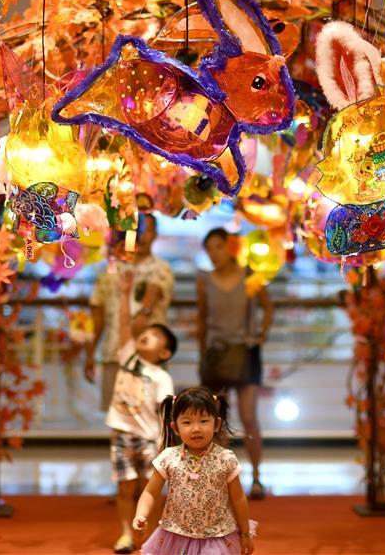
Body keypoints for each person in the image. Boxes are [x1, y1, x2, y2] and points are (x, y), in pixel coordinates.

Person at [197, 228, 273, 500]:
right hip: (216, 353)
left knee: (248, 416)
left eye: (218, 247)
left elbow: (268, 306)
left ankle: (257, 477)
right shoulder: (204, 280)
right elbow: (202, 319)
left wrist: (261, 334)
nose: (214, 254)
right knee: (217, 419)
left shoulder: (249, 274)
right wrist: (202, 354)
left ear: (230, 247)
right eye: (209, 249)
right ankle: (221, 480)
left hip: (246, 352)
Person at [133, 388, 255, 555]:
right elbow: (150, 492)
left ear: (216, 424)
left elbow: (238, 498)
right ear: (175, 427)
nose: (196, 428)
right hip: (175, 534)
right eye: (187, 422)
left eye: (203, 421)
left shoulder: (225, 459)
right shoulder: (168, 457)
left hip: (216, 536)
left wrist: (245, 533)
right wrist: (140, 516)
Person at [106, 270, 178, 554]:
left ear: (165, 353)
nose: (147, 335)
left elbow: (166, 414)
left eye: (156, 336)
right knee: (125, 488)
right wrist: (125, 293)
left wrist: (164, 442)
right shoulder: (128, 356)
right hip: (122, 434)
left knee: (151, 489)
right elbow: (125, 323)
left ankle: (152, 535)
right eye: (147, 332)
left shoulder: (162, 377)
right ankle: (125, 534)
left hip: (149, 439)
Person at [86, 213, 174, 412]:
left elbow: (152, 296)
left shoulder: (161, 268)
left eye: (146, 230)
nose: (141, 236)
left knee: (151, 414)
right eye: (136, 230)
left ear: (155, 234)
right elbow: (98, 315)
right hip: (113, 352)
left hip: (150, 357)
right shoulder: (110, 269)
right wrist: (90, 352)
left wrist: (144, 312)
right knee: (116, 416)